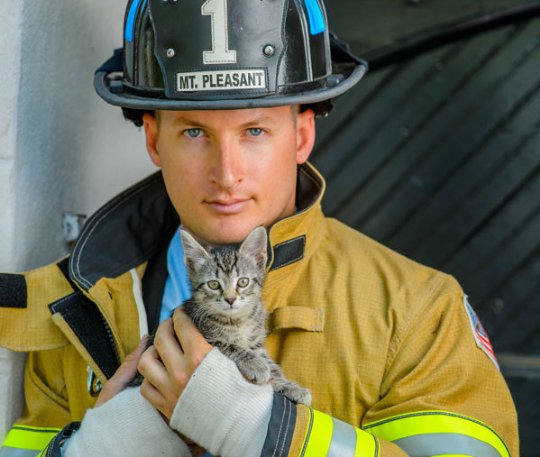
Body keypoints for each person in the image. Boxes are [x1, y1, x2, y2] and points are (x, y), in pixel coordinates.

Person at [0, 0, 518, 456]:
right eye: (195, 132)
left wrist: (257, 429)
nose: (227, 173)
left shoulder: (417, 311)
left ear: (301, 135)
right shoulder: (74, 309)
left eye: (254, 130)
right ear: (155, 140)